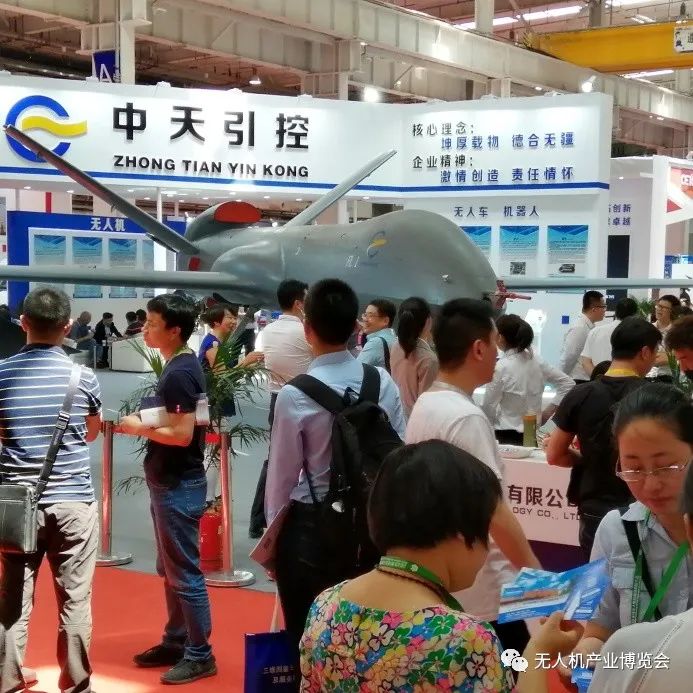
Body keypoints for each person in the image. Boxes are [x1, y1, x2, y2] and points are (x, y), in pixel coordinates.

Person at [300, 440, 582, 693]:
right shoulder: (461, 639)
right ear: (460, 532)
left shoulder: (326, 605)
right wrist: (538, 651)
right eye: (485, 532)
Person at [265, 278, 406, 671]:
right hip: (372, 531)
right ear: (356, 327)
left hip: (312, 532)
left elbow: (281, 478)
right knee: (369, 643)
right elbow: (399, 453)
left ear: (307, 329)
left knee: (307, 642)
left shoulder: (295, 395)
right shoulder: (381, 382)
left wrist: (272, 548)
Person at [406, 298, 541, 654]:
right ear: (479, 349)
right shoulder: (465, 418)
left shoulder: (428, 403)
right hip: (485, 588)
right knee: (513, 670)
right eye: (495, 343)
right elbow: (493, 511)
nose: (499, 353)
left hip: (451, 577)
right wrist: (538, 579)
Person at [0, 287, 102, 693]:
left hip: (16, 506)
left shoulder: (2, 373)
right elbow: (91, 433)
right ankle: (76, 685)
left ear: (23, 322)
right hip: (74, 502)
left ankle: (7, 680)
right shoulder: (83, 376)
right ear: (68, 326)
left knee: (13, 598)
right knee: (75, 599)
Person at [563, 384, 693, 688]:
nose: (650, 485)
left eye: (666, 467)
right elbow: (599, 633)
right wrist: (582, 657)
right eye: (633, 469)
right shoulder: (616, 530)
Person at [115, 294, 216, 685]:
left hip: (178, 482)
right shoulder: (181, 365)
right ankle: (177, 641)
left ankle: (199, 653)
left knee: (184, 573)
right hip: (173, 480)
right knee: (172, 569)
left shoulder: (179, 372)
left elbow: (182, 434)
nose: (145, 329)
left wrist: (137, 427)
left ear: (175, 330)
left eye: (153, 323)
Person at [547, 317, 662, 560]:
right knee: (644, 576)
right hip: (643, 506)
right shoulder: (654, 397)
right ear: (644, 352)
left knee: (596, 576)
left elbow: (554, 455)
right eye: (655, 353)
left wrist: (585, 459)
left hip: (594, 506)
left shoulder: (580, 394)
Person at [249, 279, 312, 539]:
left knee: (275, 459)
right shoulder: (306, 332)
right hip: (307, 398)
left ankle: (258, 519)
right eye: (306, 299)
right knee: (313, 458)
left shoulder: (268, 331)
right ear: (298, 303)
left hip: (276, 400)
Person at [482, 314, 573, 445]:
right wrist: (547, 412)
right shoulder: (537, 361)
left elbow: (488, 406)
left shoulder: (501, 367)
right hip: (531, 431)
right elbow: (568, 383)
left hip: (505, 434)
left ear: (500, 337)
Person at [390, 296, 438, 418]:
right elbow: (426, 404)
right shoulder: (428, 359)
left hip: (395, 414)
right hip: (414, 420)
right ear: (428, 321)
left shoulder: (395, 346)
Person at [580, 297, 638, 378]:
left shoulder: (595, 331)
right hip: (627, 382)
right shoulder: (636, 334)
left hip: (598, 382)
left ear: (616, 312)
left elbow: (585, 362)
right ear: (635, 314)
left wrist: (597, 380)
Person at [559, 290, 607, 384]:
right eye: (603, 307)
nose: (605, 310)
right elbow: (568, 357)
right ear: (594, 309)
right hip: (578, 380)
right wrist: (561, 380)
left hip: (584, 380)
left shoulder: (588, 326)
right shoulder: (580, 328)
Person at [649, 294, 682, 381]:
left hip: (670, 378)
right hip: (647, 377)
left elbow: (679, 356)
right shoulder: (648, 328)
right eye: (658, 306)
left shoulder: (678, 332)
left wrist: (669, 358)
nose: (659, 309)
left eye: (663, 307)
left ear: (672, 311)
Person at [357, 298, 396, 370]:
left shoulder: (376, 342)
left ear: (385, 321)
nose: (365, 319)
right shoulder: (395, 339)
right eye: (365, 315)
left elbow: (356, 370)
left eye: (370, 316)